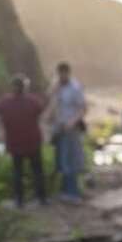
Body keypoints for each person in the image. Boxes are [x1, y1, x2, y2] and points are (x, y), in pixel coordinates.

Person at [0, 74, 46, 207]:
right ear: (25, 88)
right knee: (37, 171)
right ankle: (42, 199)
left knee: (17, 172)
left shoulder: (4, 103)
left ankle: (19, 200)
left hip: (15, 143)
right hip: (33, 142)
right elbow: (41, 113)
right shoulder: (33, 102)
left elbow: (0, 119)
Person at [44, 61, 87, 202]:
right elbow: (49, 99)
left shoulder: (75, 88)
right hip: (58, 128)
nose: (61, 76)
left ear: (68, 73)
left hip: (70, 129)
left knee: (70, 160)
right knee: (61, 160)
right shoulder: (57, 86)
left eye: (63, 74)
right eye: (59, 74)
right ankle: (64, 191)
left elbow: (82, 108)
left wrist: (72, 122)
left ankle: (73, 193)